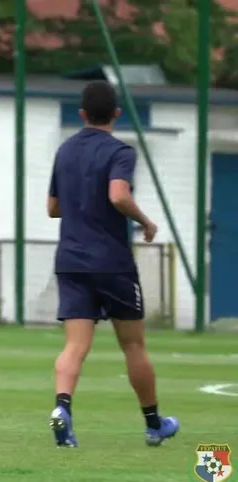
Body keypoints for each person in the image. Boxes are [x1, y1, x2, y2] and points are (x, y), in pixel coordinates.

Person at [47, 81, 178, 447]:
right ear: (116, 114)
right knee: (133, 345)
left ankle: (62, 410)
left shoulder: (65, 151)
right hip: (111, 262)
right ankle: (154, 425)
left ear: (82, 114)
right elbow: (118, 194)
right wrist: (145, 221)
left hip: (71, 259)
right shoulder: (120, 151)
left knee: (75, 346)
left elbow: (52, 208)